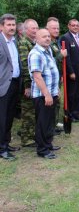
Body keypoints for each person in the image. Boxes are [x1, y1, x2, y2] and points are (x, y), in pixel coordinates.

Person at [28, 29, 60, 159]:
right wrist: (47, 94)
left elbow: (52, 71)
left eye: (48, 36)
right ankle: (42, 149)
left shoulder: (48, 51)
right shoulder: (36, 54)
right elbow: (37, 77)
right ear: (36, 39)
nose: (47, 38)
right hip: (43, 96)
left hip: (51, 93)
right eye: (44, 36)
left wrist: (55, 89)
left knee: (50, 121)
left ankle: (48, 143)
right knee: (43, 123)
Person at [0, 14, 21, 160]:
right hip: (3, 85)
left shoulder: (14, 41)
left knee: (9, 116)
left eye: (13, 25)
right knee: (2, 118)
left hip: (14, 83)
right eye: (9, 25)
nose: (12, 27)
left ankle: (6, 143)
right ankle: (2, 149)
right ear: (1, 26)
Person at [19, 19, 39, 147]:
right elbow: (25, 66)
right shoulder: (23, 43)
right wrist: (27, 85)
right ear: (26, 30)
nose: (36, 30)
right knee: (28, 112)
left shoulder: (33, 42)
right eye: (33, 28)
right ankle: (26, 139)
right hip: (28, 83)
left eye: (37, 28)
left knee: (33, 110)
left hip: (34, 82)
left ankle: (30, 134)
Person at [60, 19, 79, 122]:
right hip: (73, 71)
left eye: (77, 25)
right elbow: (67, 57)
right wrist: (71, 72)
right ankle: (69, 114)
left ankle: (76, 113)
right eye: (73, 25)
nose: (75, 27)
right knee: (71, 94)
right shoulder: (66, 37)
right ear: (69, 26)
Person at [46, 17, 67, 133]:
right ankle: (50, 127)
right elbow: (48, 62)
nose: (56, 30)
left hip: (57, 77)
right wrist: (61, 55)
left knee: (57, 101)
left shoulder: (56, 42)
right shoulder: (46, 43)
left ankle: (53, 125)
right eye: (53, 28)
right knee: (52, 103)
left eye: (57, 28)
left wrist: (62, 75)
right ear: (47, 28)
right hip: (49, 80)